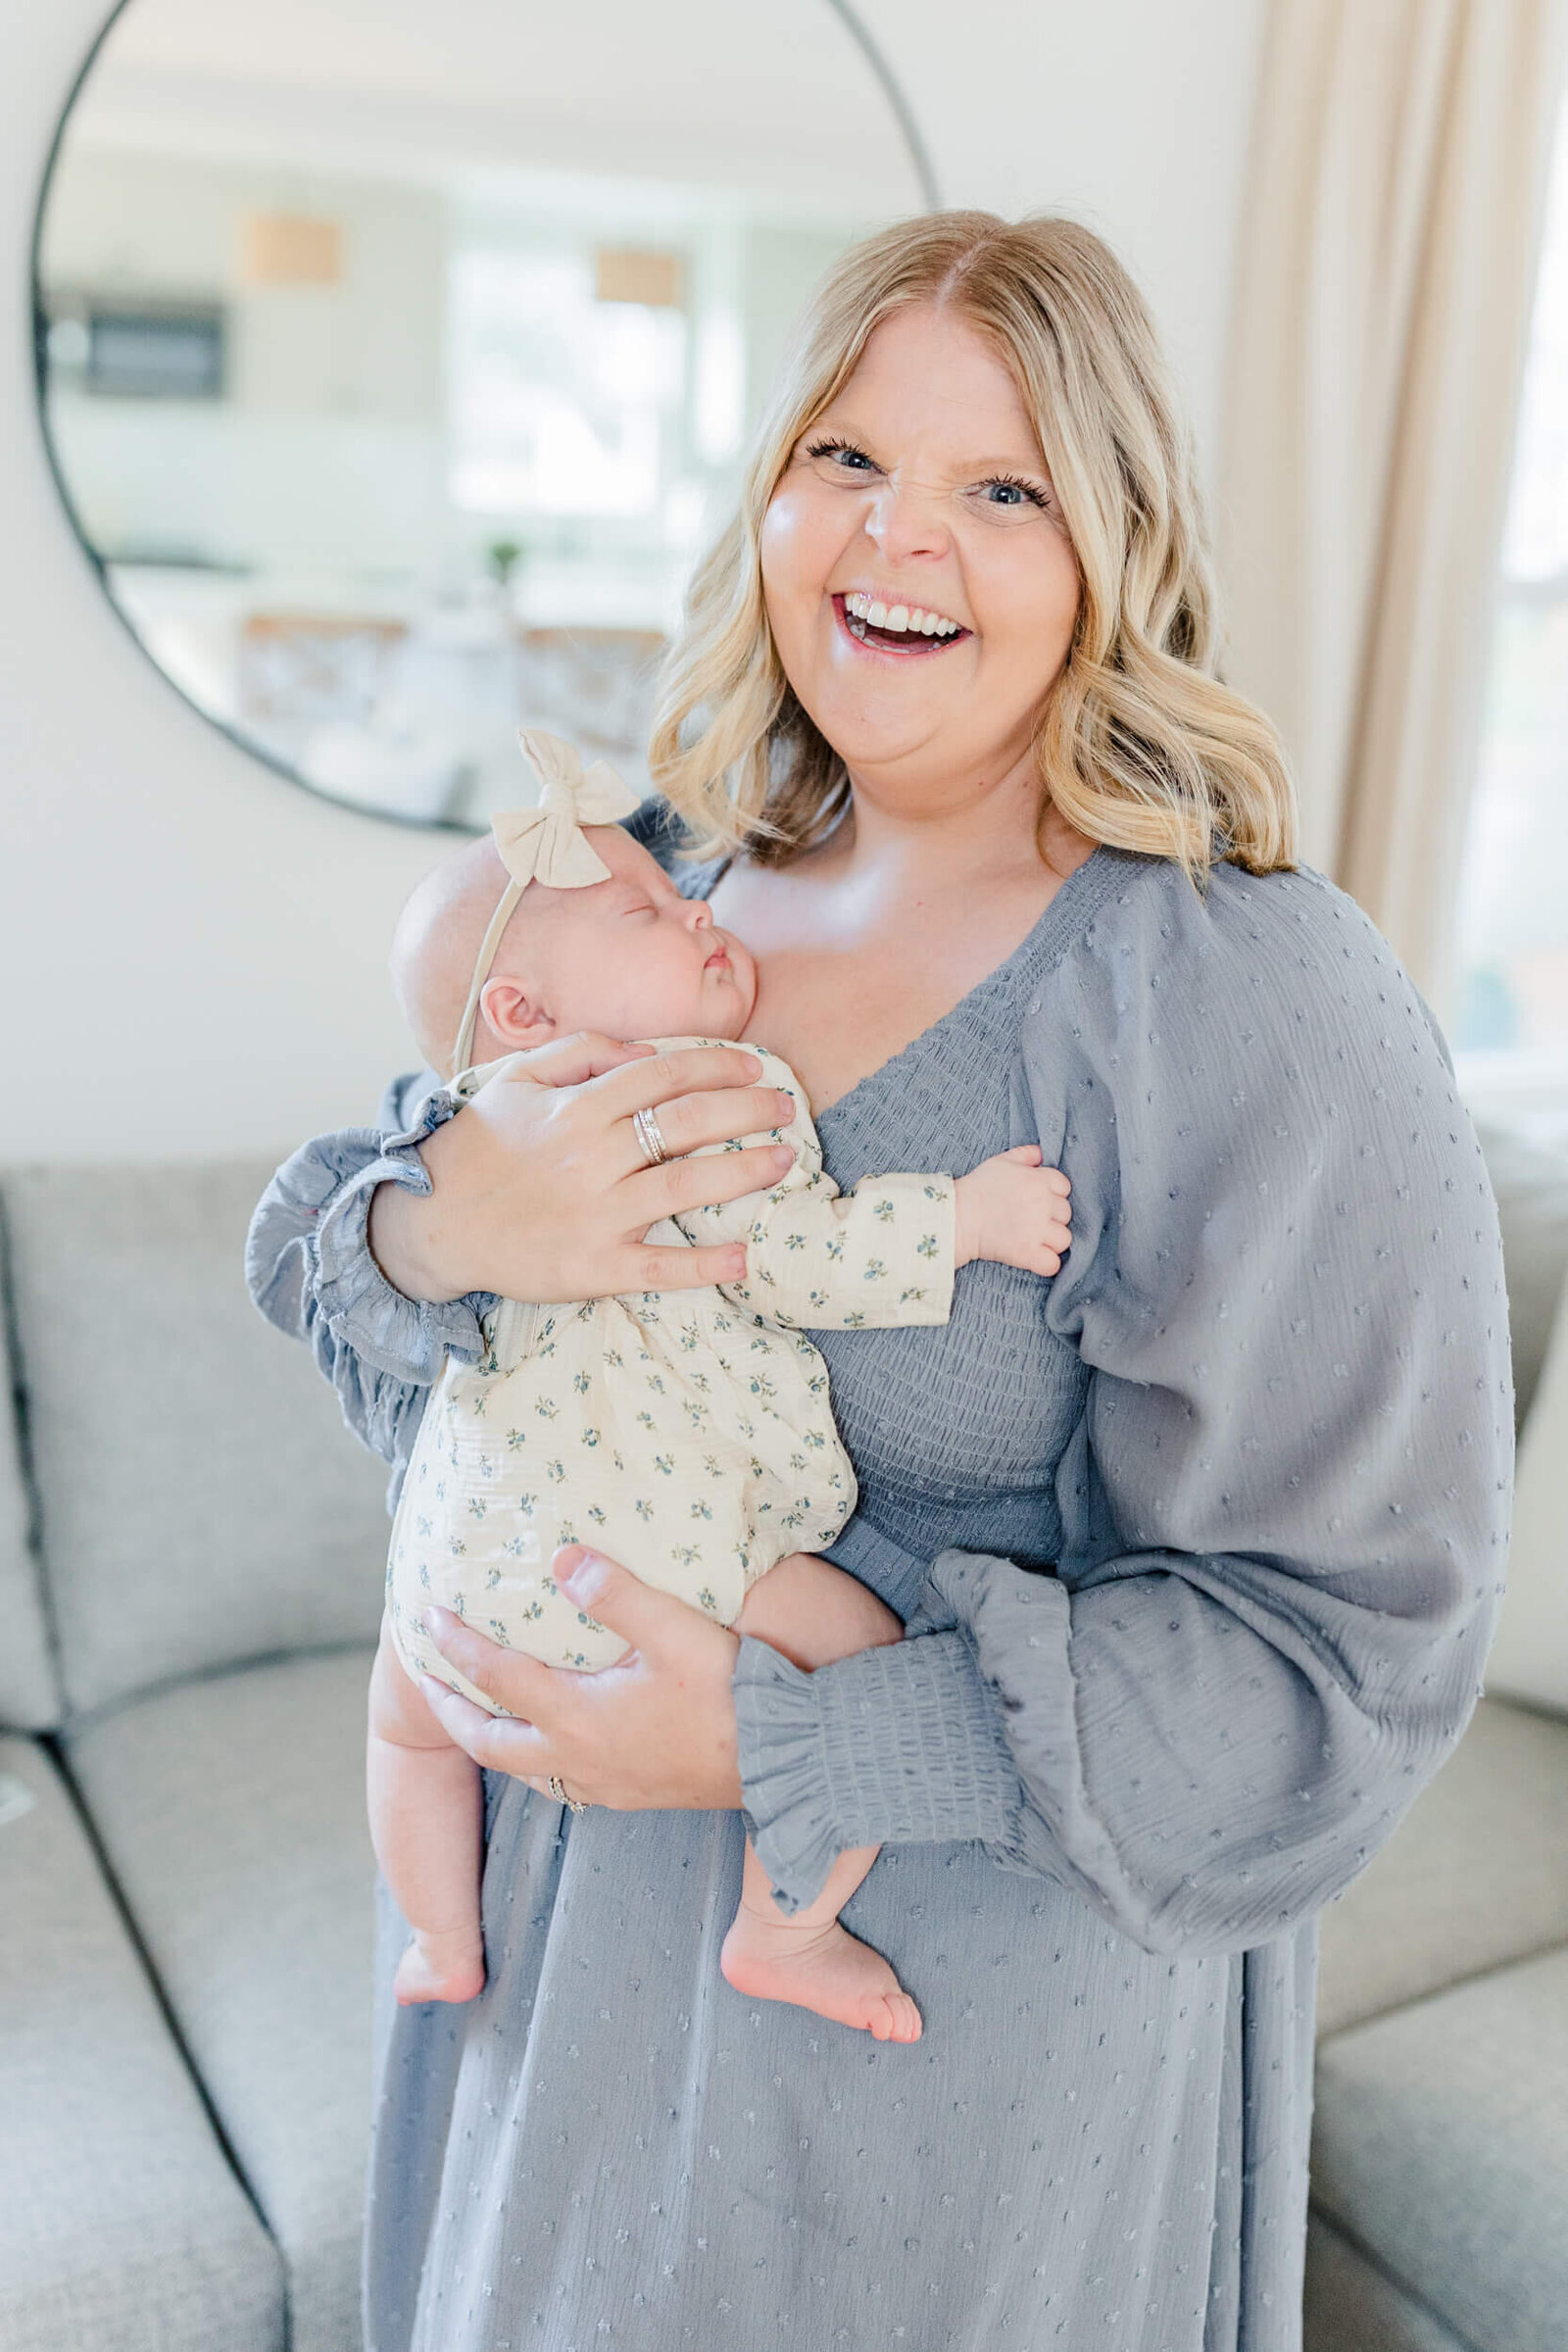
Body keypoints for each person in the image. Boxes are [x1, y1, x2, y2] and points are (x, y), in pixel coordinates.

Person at [247, 211, 1511, 2350]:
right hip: (550, 1993)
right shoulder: (646, 880)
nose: (892, 537)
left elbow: (1348, 1659)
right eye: (843, 456)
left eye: (998, 487)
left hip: (950, 2061)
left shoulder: (1241, 996)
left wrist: (793, 1735)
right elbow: (351, 1285)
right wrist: (458, 1225)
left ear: (1112, 545)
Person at [369, 726, 1072, 2039]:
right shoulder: (698, 1093)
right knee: (852, 1653)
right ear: (526, 1014)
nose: (690, 907)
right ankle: (787, 1929)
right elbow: (791, 1255)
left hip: (454, 1578)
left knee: (408, 1724)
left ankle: (434, 1932)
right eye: (644, 910)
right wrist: (964, 1221)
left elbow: (353, 1224)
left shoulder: (463, 1132)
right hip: (656, 1560)